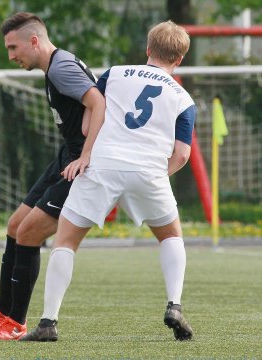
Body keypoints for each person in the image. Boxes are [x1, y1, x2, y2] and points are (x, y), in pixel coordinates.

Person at [20, 20, 195, 342]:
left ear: (147, 49)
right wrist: (157, 174)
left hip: (103, 166)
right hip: (149, 171)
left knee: (66, 241)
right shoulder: (184, 99)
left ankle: (48, 322)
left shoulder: (115, 73)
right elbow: (182, 154)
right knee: (171, 236)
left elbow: (88, 124)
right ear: (179, 58)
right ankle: (175, 305)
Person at [0, 12, 106, 340]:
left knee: (29, 233)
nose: (10, 56)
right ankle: (3, 311)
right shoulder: (55, 65)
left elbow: (99, 102)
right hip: (66, 156)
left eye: (13, 47)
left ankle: (15, 323)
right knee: (14, 226)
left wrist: (88, 155)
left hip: (82, 164)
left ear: (34, 41)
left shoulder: (61, 68)